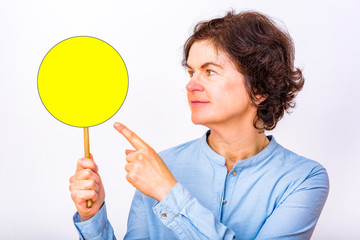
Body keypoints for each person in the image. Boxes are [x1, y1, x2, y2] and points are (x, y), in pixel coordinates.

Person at [69, 11, 329, 240]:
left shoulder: (303, 179)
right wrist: (93, 219)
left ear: (260, 87)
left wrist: (166, 190)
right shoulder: (158, 165)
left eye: (210, 71)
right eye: (192, 72)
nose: (191, 85)